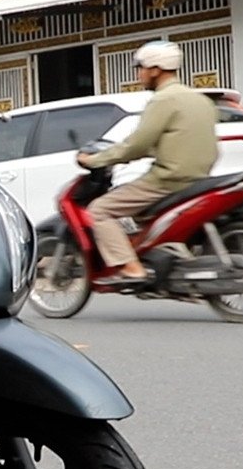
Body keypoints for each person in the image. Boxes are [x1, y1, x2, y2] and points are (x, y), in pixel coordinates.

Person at [77, 40, 219, 285]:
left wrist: (96, 160)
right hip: (199, 179)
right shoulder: (200, 100)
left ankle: (131, 268)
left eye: (140, 67)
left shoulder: (163, 100)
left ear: (155, 69)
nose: (138, 73)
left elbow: (136, 145)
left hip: (167, 180)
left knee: (99, 210)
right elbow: (169, 140)